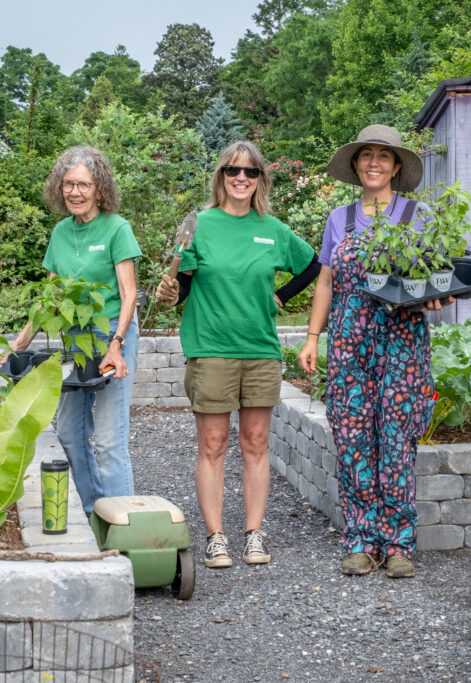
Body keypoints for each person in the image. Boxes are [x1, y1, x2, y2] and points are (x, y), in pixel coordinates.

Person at [155, 141, 320, 569]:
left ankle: (253, 534)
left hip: (260, 350)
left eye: (250, 172)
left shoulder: (273, 229)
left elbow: (313, 266)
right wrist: (171, 292)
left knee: (256, 443)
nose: (241, 178)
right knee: (212, 444)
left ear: (260, 179)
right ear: (221, 176)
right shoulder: (200, 225)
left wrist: (280, 296)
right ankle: (215, 537)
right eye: (233, 171)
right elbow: (183, 286)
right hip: (212, 348)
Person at [298, 125, 450, 579]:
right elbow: (325, 282)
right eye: (367, 155)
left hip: (401, 338)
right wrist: (312, 337)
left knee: (397, 438)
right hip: (348, 339)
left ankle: (399, 542)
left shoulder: (416, 215)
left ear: (397, 166)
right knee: (353, 438)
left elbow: (438, 276)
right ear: (356, 164)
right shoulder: (339, 219)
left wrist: (439, 295)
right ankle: (361, 540)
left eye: (384, 156)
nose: (374, 163)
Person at [10, 146, 143, 516]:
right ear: (59, 187)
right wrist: (19, 344)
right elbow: (50, 300)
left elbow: (130, 292)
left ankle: (125, 525)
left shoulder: (117, 229)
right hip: (75, 342)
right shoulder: (60, 233)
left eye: (83, 184)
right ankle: (94, 511)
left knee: (110, 439)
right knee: (68, 431)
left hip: (111, 335)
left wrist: (116, 344)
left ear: (99, 189)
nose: (75, 192)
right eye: (68, 184)